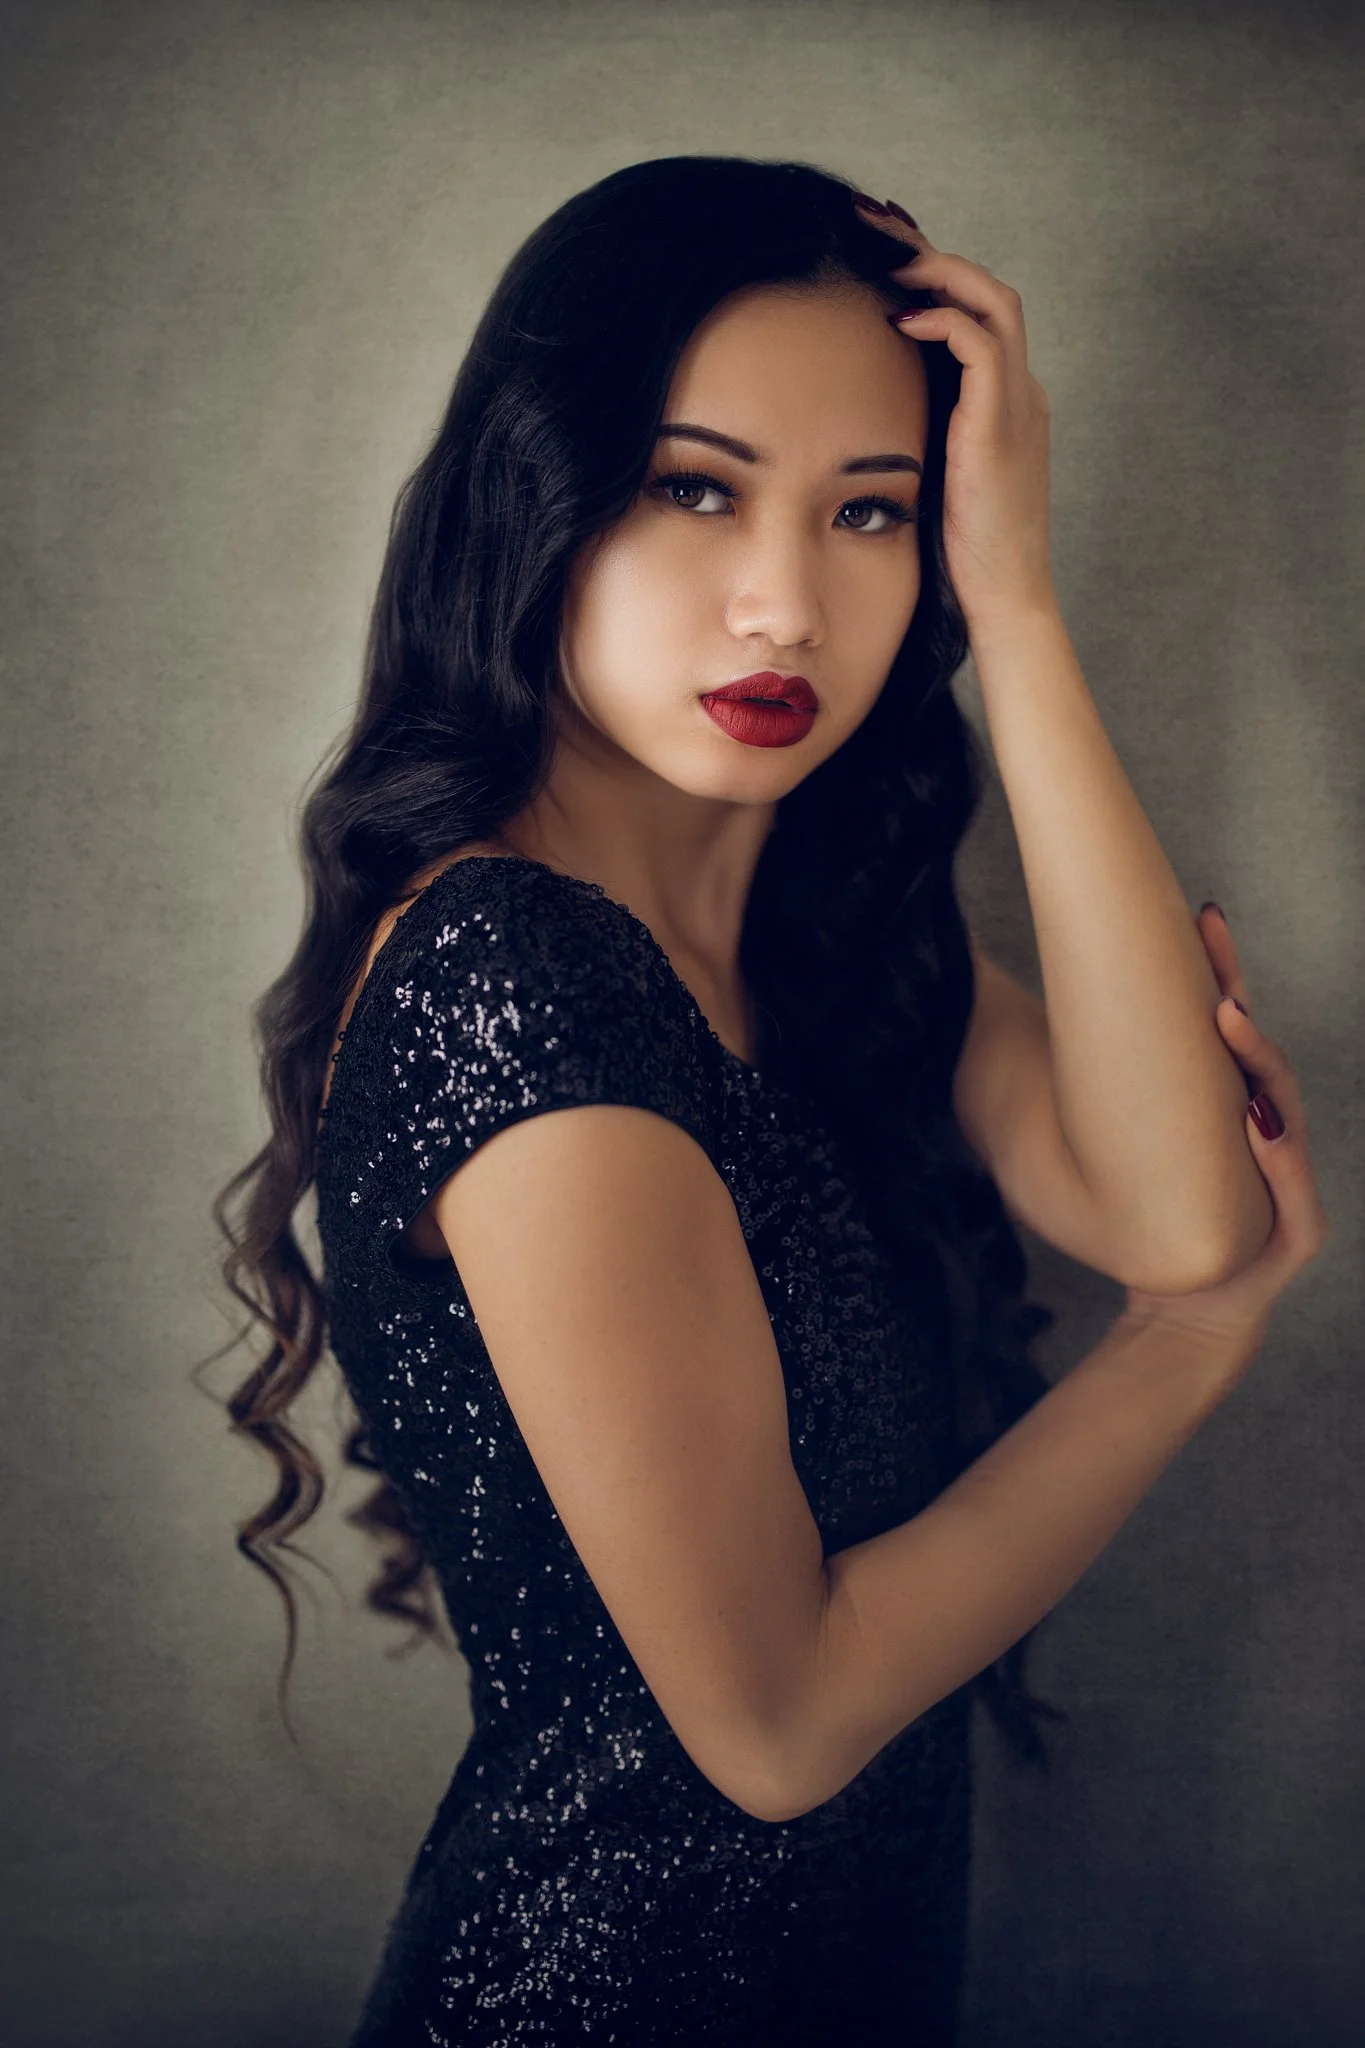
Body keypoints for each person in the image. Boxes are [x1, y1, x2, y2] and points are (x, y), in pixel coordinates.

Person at [212, 156, 1329, 2045]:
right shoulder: (515, 974)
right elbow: (780, 1721)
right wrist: (1188, 1349)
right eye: (696, 488)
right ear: (540, 500)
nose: (786, 604)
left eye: (871, 514)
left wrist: (1023, 608)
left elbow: (1178, 1208)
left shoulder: (824, 935)